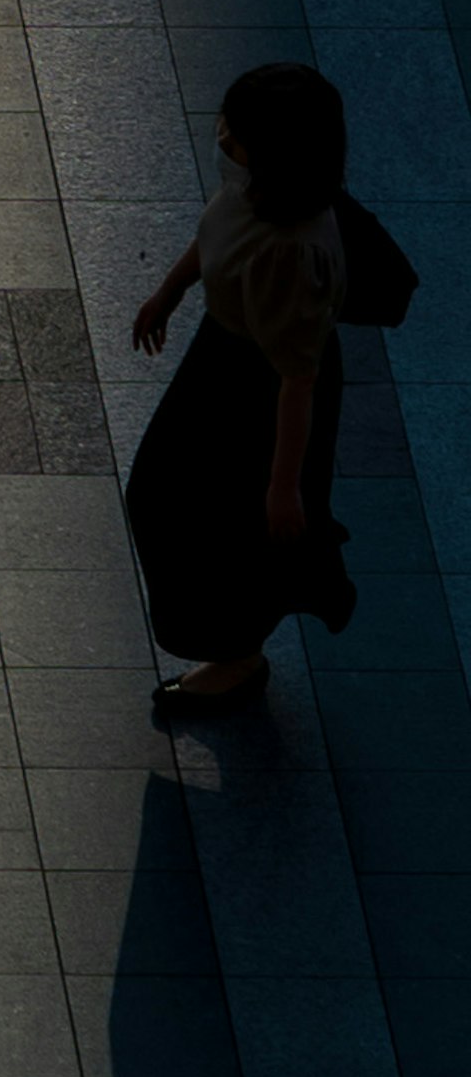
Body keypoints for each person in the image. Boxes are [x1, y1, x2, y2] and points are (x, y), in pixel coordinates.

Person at [124, 61, 357, 721]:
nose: (222, 137)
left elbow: (298, 378)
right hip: (223, 355)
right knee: (162, 495)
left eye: (237, 133)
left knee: (234, 525)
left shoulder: (293, 251)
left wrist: (284, 484)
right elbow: (215, 238)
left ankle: (236, 656)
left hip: (262, 387)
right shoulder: (256, 189)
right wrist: (169, 292)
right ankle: (225, 641)